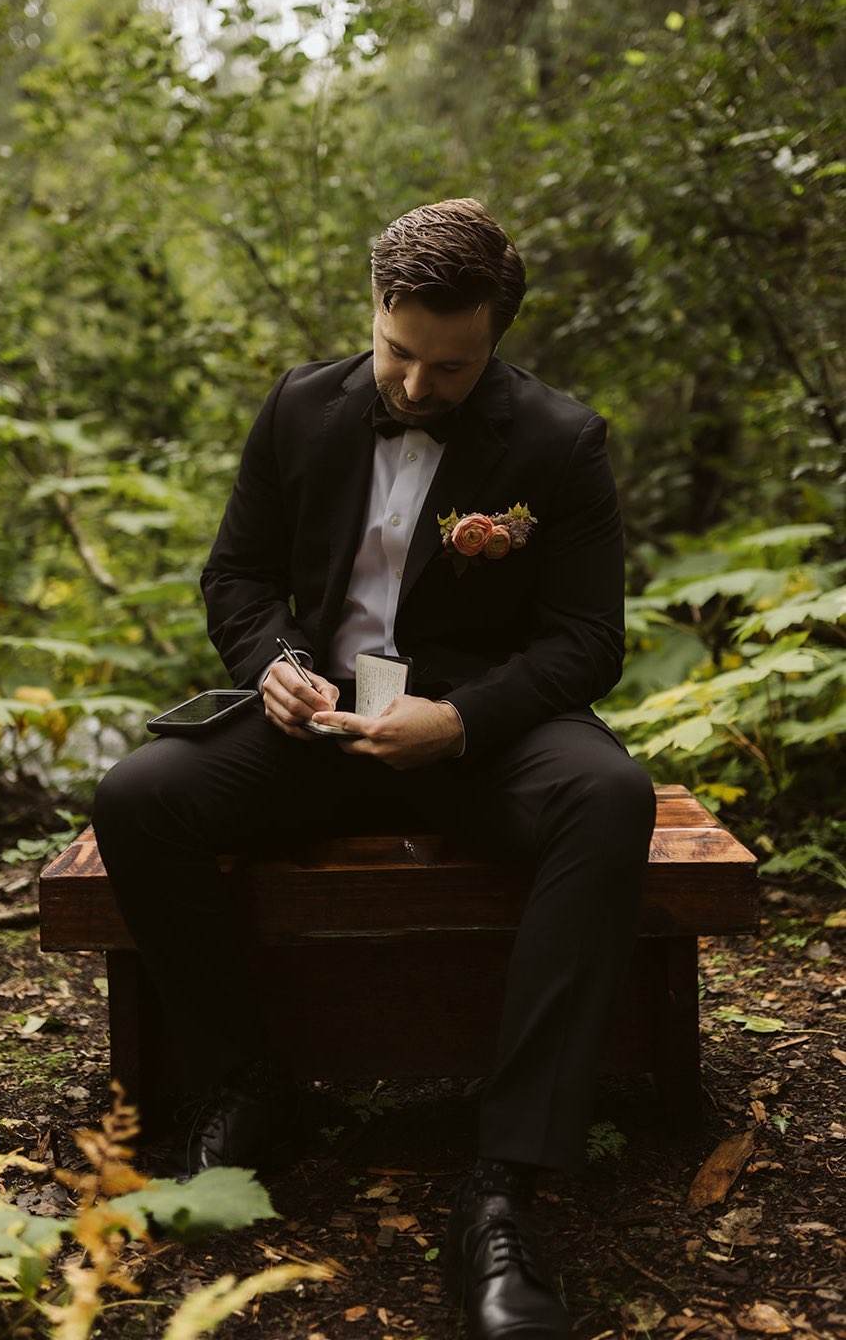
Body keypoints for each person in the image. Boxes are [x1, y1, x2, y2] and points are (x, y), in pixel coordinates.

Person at [92, 198, 656, 1340]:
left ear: (495, 336)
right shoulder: (300, 406)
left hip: (477, 740)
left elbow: (588, 640)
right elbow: (237, 577)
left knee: (609, 796)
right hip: (319, 728)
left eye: (451, 367)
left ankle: (502, 1186)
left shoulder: (560, 440)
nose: (414, 384)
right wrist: (277, 667)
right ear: (375, 305)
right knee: (137, 798)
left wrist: (459, 720)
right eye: (398, 351)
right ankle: (246, 1086)